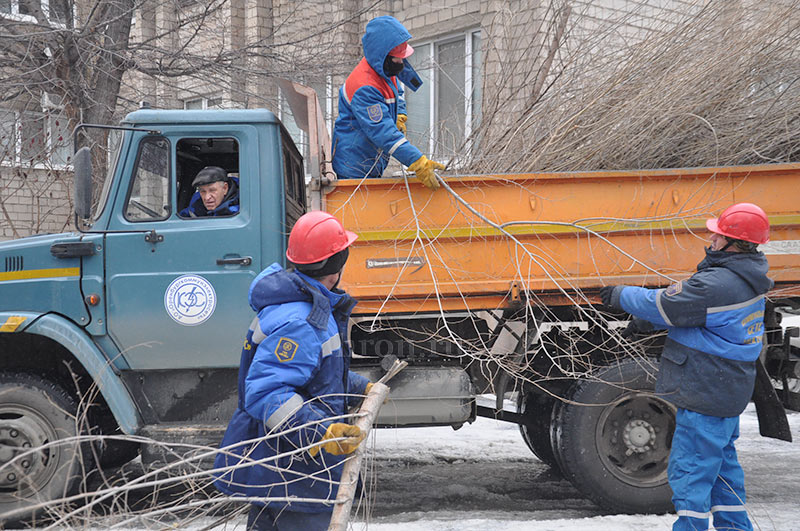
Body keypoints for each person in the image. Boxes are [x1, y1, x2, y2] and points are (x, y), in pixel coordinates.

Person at [599, 202, 772, 531]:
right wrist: (649, 324)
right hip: (724, 391)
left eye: (718, 234)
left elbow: (664, 303)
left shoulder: (718, 283)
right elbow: (701, 317)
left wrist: (618, 294)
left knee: (690, 471)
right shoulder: (746, 277)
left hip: (706, 392)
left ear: (732, 243)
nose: (711, 238)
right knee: (722, 470)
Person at [213, 211, 371, 531]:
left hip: (276, 468)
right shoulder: (302, 320)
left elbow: (310, 376)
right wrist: (321, 433)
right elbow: (268, 392)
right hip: (296, 471)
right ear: (336, 268)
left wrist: (358, 387)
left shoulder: (292, 303)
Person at [332, 15, 444, 190]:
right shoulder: (364, 87)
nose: (401, 63)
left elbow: (397, 90)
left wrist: (400, 113)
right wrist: (416, 160)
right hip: (354, 166)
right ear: (383, 55)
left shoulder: (384, 68)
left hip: (370, 159)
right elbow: (383, 132)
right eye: (397, 58)